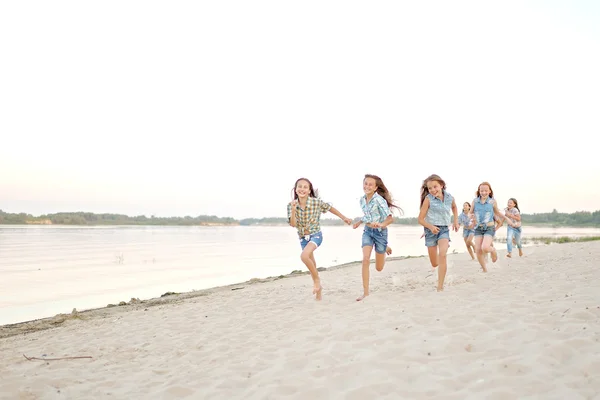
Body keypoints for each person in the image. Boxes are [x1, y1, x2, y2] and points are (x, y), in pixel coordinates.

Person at [288, 177, 352, 300]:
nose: (302, 189)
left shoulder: (315, 202)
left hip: (315, 235)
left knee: (304, 256)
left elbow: (330, 208)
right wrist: (293, 210)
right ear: (295, 190)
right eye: (299, 186)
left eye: (305, 187)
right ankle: (319, 292)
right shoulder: (291, 205)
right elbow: (293, 224)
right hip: (303, 238)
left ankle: (317, 281)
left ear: (309, 190)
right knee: (312, 263)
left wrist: (344, 218)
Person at [353, 174, 402, 301]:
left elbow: (390, 218)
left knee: (379, 268)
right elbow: (368, 215)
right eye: (365, 183)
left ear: (375, 188)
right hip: (368, 232)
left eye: (370, 184)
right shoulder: (362, 200)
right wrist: (359, 221)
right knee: (365, 259)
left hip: (380, 233)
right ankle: (365, 293)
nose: (367, 186)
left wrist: (381, 224)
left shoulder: (379, 200)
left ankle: (384, 246)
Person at [417, 174, 459, 292]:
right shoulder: (428, 199)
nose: (433, 190)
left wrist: (455, 221)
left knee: (443, 255)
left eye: (435, 187)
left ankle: (440, 286)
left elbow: (454, 207)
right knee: (435, 263)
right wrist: (430, 227)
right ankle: (442, 247)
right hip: (430, 231)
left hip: (444, 230)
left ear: (441, 185)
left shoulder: (450, 197)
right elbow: (420, 219)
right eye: (430, 188)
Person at [468, 182, 505, 272]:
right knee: (478, 250)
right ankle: (484, 269)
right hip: (478, 228)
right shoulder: (475, 201)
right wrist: (471, 216)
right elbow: (470, 212)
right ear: (479, 191)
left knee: (485, 248)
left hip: (489, 227)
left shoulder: (492, 202)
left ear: (489, 191)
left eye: (486, 190)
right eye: (481, 191)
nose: (483, 192)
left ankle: (493, 250)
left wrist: (506, 219)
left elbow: (497, 213)